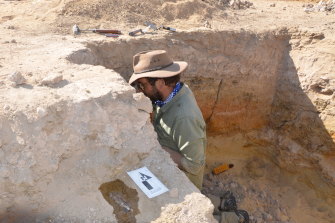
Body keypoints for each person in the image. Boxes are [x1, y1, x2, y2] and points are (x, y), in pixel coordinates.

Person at [128, 50, 206, 189]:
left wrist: (156, 148)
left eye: (143, 85)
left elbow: (194, 166)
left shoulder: (184, 117)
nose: (141, 90)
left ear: (160, 83)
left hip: (181, 186)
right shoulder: (171, 92)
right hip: (164, 159)